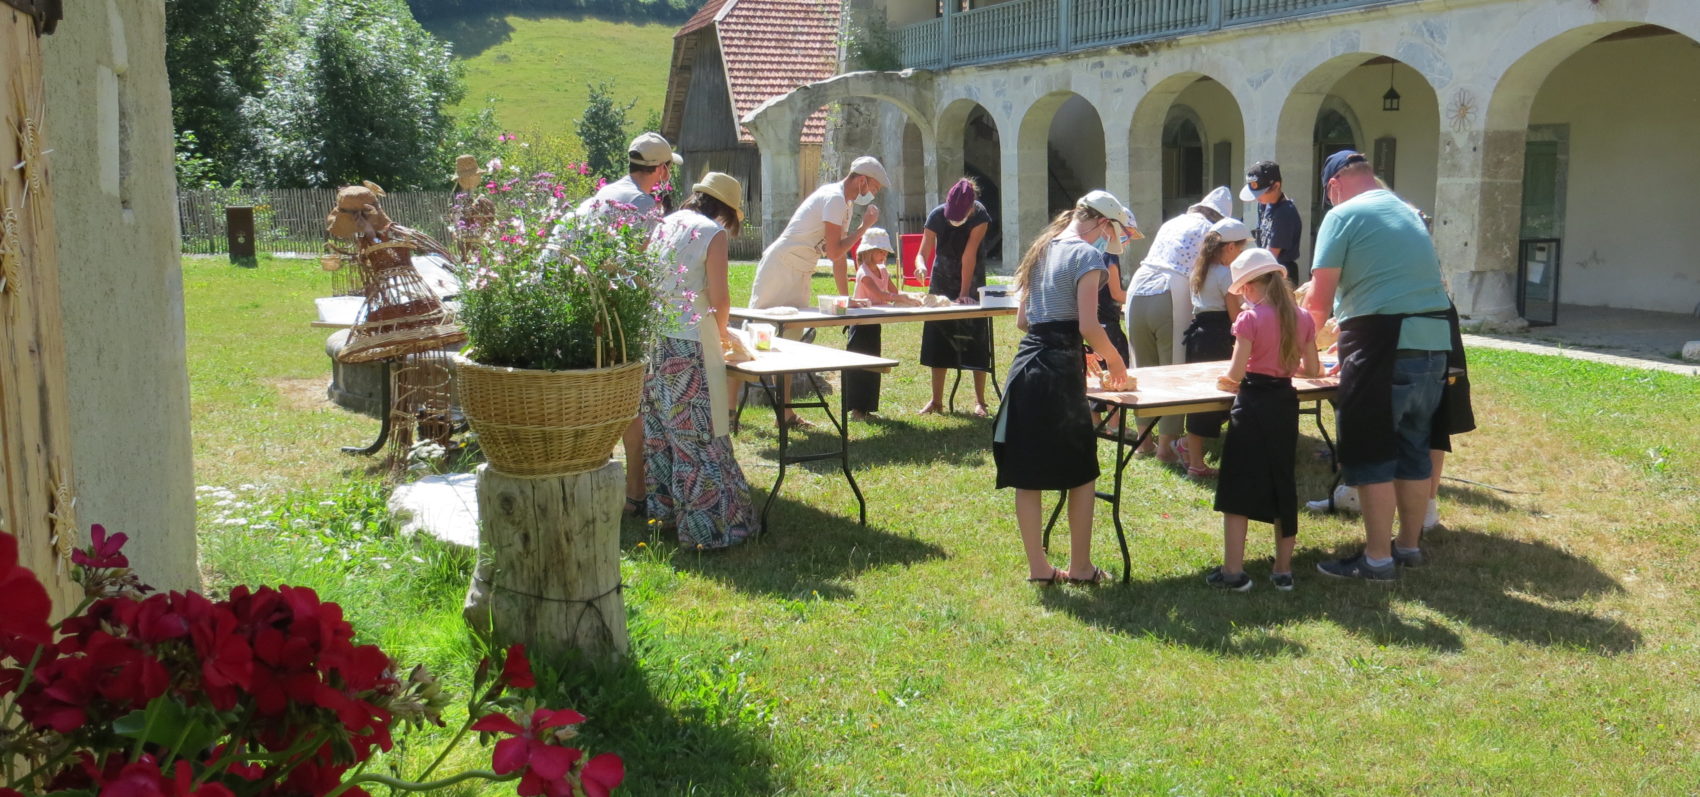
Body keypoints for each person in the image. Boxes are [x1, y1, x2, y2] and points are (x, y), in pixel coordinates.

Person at [1304, 150, 1453, 582]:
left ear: (1333, 187)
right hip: (1432, 345)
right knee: (1412, 448)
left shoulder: (1343, 215)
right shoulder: (1406, 211)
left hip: (1382, 345)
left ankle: (1376, 559)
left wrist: (1301, 352)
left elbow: (1317, 300)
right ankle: (1407, 547)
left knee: (1371, 452)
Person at [993, 191, 1135, 586]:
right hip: (1057, 373)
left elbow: (1025, 321)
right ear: (1105, 224)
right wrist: (1115, 358)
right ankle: (1081, 568)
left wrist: (1079, 348)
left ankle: (1039, 570)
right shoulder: (1088, 257)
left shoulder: (1042, 248)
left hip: (1027, 365)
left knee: (1027, 472)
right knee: (1081, 471)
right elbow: (1090, 325)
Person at [553, 132, 681, 518]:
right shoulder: (642, 204)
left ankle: (592, 479)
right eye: (667, 169)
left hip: (578, 305)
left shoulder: (604, 193)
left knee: (595, 398)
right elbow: (646, 267)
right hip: (614, 314)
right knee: (632, 400)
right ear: (660, 169)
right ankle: (635, 493)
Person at [641, 172, 759, 549]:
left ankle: (664, 517)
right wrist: (724, 334)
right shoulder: (713, 233)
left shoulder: (664, 224)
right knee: (699, 435)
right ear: (725, 209)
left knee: (662, 432)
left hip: (656, 338)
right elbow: (720, 299)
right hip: (691, 339)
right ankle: (709, 530)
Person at [1207, 248, 1320, 591]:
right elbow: (1313, 370)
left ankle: (1233, 572)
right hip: (1284, 402)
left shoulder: (1250, 319)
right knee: (1281, 480)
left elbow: (1235, 374)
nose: (1241, 295)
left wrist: (1223, 379)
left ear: (1252, 286)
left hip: (1253, 401)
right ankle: (1283, 571)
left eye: (1242, 288)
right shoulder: (1302, 318)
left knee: (1237, 485)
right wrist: (1285, 365)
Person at [748, 156, 886, 426]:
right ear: (861, 180)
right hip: (779, 268)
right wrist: (864, 228)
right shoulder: (834, 198)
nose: (872, 194)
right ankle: (731, 411)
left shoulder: (843, 205)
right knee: (756, 336)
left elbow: (837, 257)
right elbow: (836, 250)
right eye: (873, 187)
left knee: (788, 342)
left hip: (801, 271)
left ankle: (784, 414)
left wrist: (846, 299)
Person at [1124, 186, 1233, 462]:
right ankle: (1166, 447)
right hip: (1171, 290)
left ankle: (1143, 441)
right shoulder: (1212, 232)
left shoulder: (1173, 222)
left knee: (1142, 368)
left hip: (1139, 285)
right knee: (1173, 370)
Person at [1175, 217, 1252, 478]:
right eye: (1240, 249)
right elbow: (1234, 315)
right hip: (1217, 337)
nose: (1240, 255)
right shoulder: (1225, 274)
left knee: (1200, 400)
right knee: (1214, 400)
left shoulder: (1200, 269)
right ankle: (1196, 463)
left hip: (1199, 336)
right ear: (1229, 248)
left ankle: (1188, 449)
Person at [917, 178, 994, 416]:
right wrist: (920, 266)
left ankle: (980, 401)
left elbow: (969, 256)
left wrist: (963, 294)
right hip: (941, 280)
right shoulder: (936, 216)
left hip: (970, 283)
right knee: (938, 339)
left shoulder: (980, 216)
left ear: (971, 207)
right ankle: (936, 400)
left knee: (975, 339)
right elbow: (923, 252)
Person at [844, 227, 914, 421]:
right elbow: (882, 295)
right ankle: (856, 410)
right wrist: (902, 297)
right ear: (868, 252)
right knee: (859, 364)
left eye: (885, 252)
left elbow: (893, 291)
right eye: (880, 251)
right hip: (860, 324)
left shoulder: (883, 270)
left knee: (874, 363)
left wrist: (907, 297)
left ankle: (868, 408)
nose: (884, 255)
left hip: (875, 322)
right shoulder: (864, 273)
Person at [1240, 160, 1304, 283]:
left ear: (1276, 186)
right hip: (1266, 269)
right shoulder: (1264, 204)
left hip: (1280, 275)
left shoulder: (1284, 213)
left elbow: (1271, 256)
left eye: (1261, 193)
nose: (1257, 198)